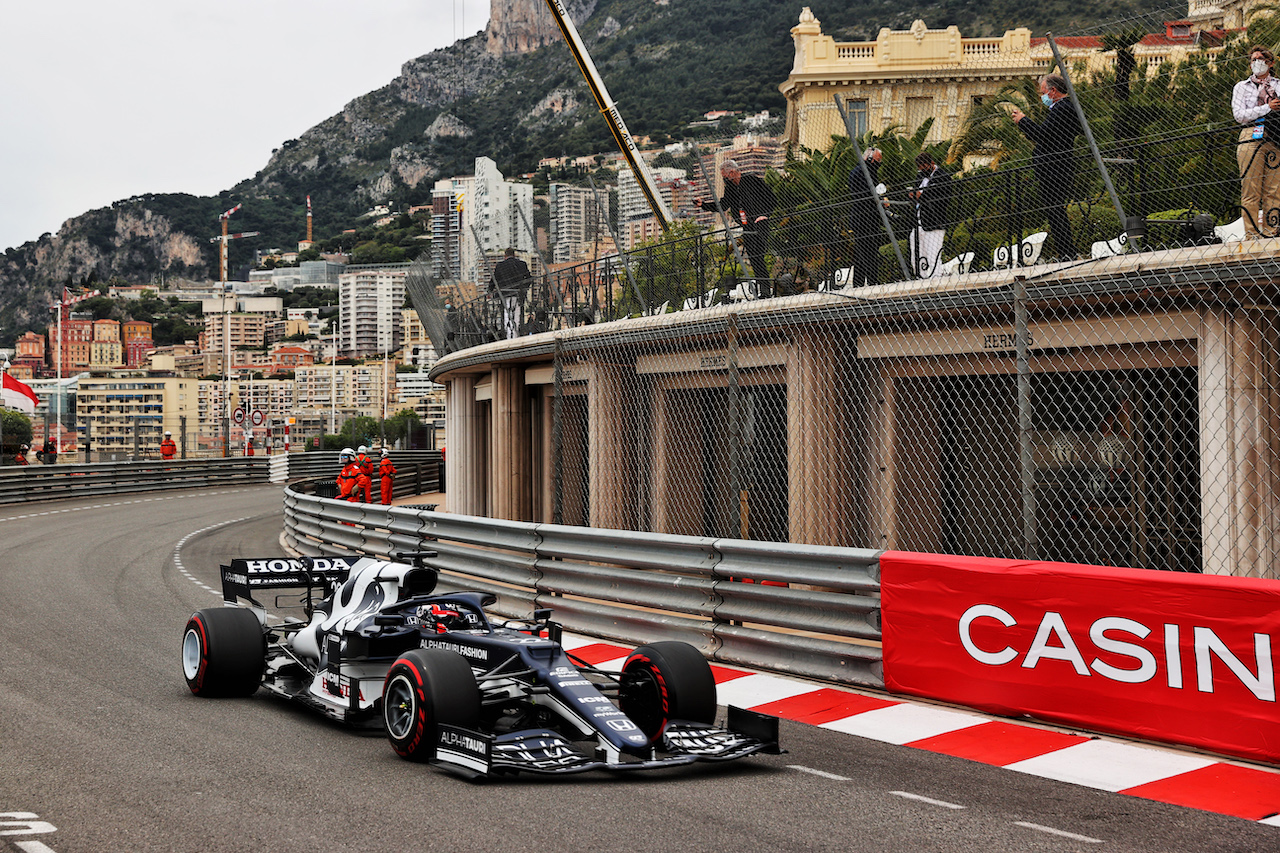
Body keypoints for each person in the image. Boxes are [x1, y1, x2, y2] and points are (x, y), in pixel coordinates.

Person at [1010, 73, 1081, 261]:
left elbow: (1042, 135)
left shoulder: (1062, 109)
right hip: (1055, 167)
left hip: (1054, 169)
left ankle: (1067, 252)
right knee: (1055, 211)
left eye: (1043, 92)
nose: (1042, 97)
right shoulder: (1063, 108)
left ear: (1053, 91)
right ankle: (1066, 251)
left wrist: (1022, 120)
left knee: (1055, 211)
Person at [696, 160, 777, 296]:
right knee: (753, 257)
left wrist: (765, 215)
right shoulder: (731, 188)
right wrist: (703, 205)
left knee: (759, 254)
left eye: (725, 176)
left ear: (732, 172)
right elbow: (723, 205)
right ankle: (763, 288)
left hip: (760, 222)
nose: (724, 179)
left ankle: (765, 288)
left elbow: (771, 198)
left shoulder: (751, 180)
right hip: (746, 225)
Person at [1233, 45, 1280, 238]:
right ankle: (1252, 235)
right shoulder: (1241, 87)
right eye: (1253, 59)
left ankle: (1272, 231)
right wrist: (1266, 108)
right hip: (1250, 136)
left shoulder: (1278, 85)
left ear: (1270, 63)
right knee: (1251, 189)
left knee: (1274, 189)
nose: (1256, 62)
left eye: (1260, 59)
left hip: (1275, 137)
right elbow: (1239, 115)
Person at [907, 152, 953, 278]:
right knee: (916, 253)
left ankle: (936, 279)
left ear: (931, 164)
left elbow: (942, 198)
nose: (922, 171)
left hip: (934, 221)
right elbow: (917, 191)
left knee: (933, 255)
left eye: (924, 168)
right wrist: (913, 195)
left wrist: (922, 196)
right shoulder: (920, 176)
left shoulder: (943, 177)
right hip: (918, 220)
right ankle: (920, 277)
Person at [848, 147, 885, 288]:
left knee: (862, 252)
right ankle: (871, 281)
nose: (878, 164)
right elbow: (864, 194)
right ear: (870, 159)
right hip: (864, 219)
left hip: (866, 218)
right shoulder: (861, 173)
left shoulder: (867, 172)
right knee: (868, 251)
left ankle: (859, 282)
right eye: (877, 161)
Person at [490, 248, 531, 340]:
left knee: (507, 315)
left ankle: (510, 337)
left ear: (505, 256)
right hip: (518, 294)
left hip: (505, 294)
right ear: (514, 255)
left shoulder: (500, 266)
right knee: (517, 315)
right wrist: (524, 289)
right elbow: (529, 278)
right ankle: (515, 335)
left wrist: (490, 290)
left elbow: (494, 280)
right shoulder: (522, 264)